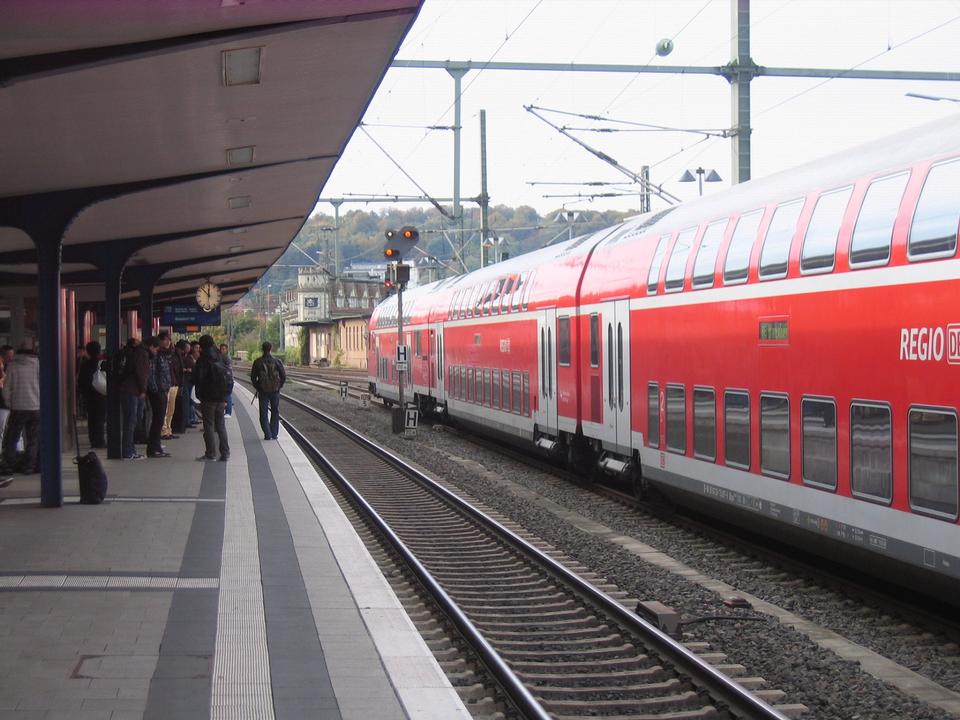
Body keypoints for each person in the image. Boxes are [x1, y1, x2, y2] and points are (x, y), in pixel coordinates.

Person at [0, 338, 40, 476]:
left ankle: (8, 466)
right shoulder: (38, 366)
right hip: (35, 407)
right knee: (33, 439)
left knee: (12, 438)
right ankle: (29, 466)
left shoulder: (12, 366)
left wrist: (10, 404)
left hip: (17, 408)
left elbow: (6, 389)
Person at [193, 335, 231, 461]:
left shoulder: (203, 359)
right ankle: (225, 453)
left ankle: (211, 453)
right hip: (221, 397)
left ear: (202, 345)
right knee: (221, 425)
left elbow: (198, 378)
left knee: (209, 425)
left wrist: (199, 393)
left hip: (208, 397)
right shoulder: (220, 356)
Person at [117, 337, 149, 460]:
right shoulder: (141, 354)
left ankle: (130, 450)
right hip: (132, 391)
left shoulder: (130, 354)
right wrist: (143, 390)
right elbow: (141, 374)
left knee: (131, 421)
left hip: (128, 389)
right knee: (130, 422)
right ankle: (127, 452)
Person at [250, 341, 285, 441]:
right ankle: (274, 434)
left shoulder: (258, 362)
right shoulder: (277, 361)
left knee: (263, 412)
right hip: (275, 391)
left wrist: (259, 387)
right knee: (275, 411)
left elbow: (253, 378)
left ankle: (267, 434)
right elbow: (283, 376)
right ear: (271, 349)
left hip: (263, 391)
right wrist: (279, 386)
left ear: (262, 349)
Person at [145, 336, 171, 458]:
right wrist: (157, 391)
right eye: (165, 340)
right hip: (158, 393)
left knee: (159, 420)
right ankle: (153, 448)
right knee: (158, 420)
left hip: (162, 391)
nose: (168, 342)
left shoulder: (162, 356)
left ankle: (157, 446)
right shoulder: (155, 357)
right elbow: (151, 375)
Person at [77, 341, 106, 448]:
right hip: (101, 394)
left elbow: (81, 381)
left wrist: (84, 393)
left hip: (89, 396)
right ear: (99, 350)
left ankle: (93, 439)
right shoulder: (101, 363)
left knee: (92, 418)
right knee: (100, 418)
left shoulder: (85, 364)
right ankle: (99, 441)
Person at [159, 332, 180, 441]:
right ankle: (163, 431)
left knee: (171, 410)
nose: (168, 342)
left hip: (173, 384)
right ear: (160, 341)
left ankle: (169, 429)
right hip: (164, 386)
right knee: (164, 409)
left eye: (169, 340)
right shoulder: (158, 354)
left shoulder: (173, 354)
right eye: (166, 340)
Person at [171, 340, 190, 434]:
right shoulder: (175, 356)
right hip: (176, 384)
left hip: (178, 384)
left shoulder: (176, 356)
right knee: (177, 407)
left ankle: (178, 427)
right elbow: (176, 371)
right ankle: (177, 428)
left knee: (177, 407)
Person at [0, 345, 13, 456]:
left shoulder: (9, 367)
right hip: (3, 404)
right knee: (1, 430)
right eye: (9, 356)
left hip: (7, 404)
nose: (11, 358)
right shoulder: (3, 367)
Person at [219, 343, 234, 417]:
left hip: (227, 380)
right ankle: (227, 411)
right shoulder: (225, 357)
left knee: (227, 395)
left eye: (223, 349)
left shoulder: (226, 358)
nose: (222, 350)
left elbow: (229, 368)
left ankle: (228, 412)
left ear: (226, 350)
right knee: (227, 395)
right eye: (221, 349)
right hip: (228, 379)